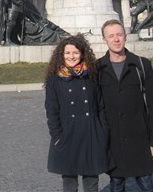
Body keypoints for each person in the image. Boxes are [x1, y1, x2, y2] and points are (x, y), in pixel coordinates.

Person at [98, 19, 153, 192]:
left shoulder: (142, 65)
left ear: (125, 37)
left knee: (146, 183)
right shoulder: (98, 68)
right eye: (111, 36)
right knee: (116, 184)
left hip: (139, 139)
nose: (116, 39)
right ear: (104, 40)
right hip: (113, 140)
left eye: (119, 35)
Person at [45, 34, 114, 192]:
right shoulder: (54, 80)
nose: (71, 56)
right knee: (69, 182)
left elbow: (101, 105)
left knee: (91, 181)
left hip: (91, 133)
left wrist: (103, 130)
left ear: (82, 54)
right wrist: (56, 136)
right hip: (67, 134)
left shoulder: (91, 75)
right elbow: (52, 110)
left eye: (75, 52)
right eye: (67, 53)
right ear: (61, 55)